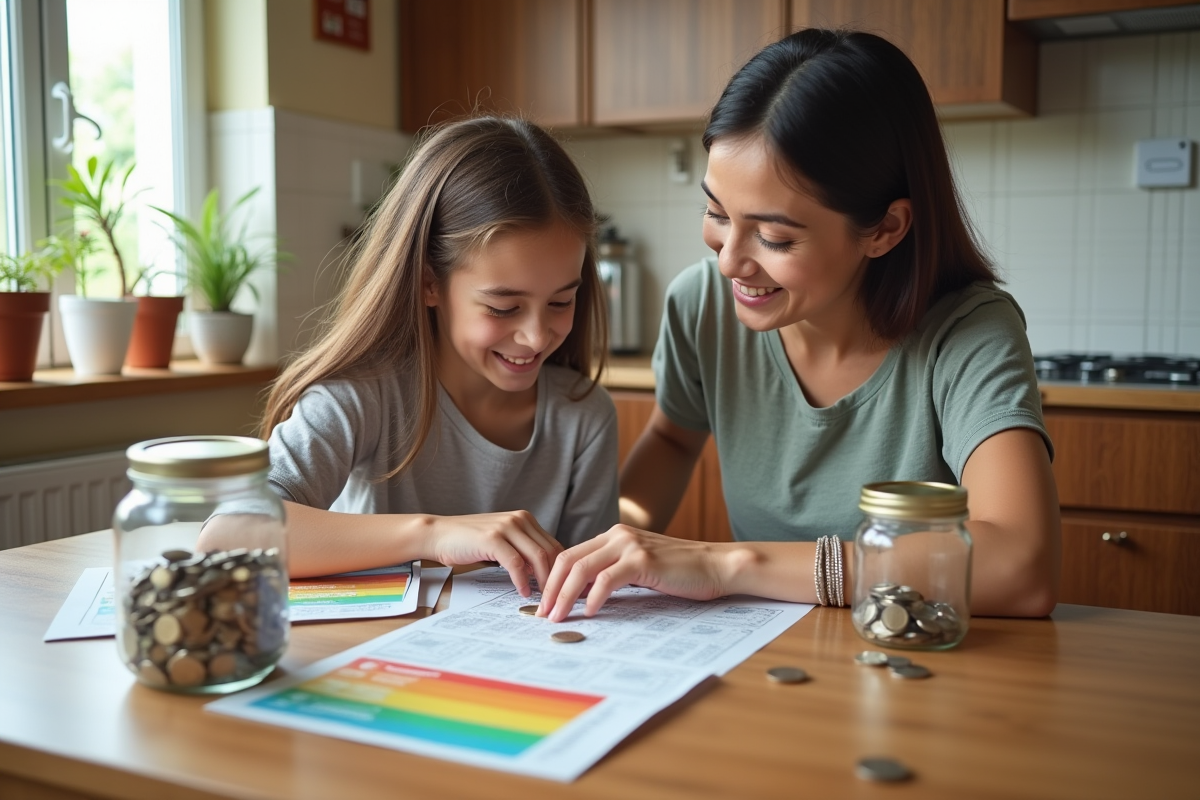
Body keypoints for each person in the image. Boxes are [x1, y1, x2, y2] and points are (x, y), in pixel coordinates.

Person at [538, 29, 1061, 620]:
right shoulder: (701, 304)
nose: (729, 260)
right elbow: (673, 436)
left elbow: (1022, 566)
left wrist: (725, 564)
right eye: (715, 213)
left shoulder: (969, 334)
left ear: (885, 229)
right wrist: (613, 541)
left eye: (774, 237)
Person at [215, 117, 619, 594]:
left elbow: (593, 586)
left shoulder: (584, 418)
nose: (534, 336)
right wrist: (435, 534)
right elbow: (228, 538)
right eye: (503, 307)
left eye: (560, 302)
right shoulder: (360, 398)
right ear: (430, 282)